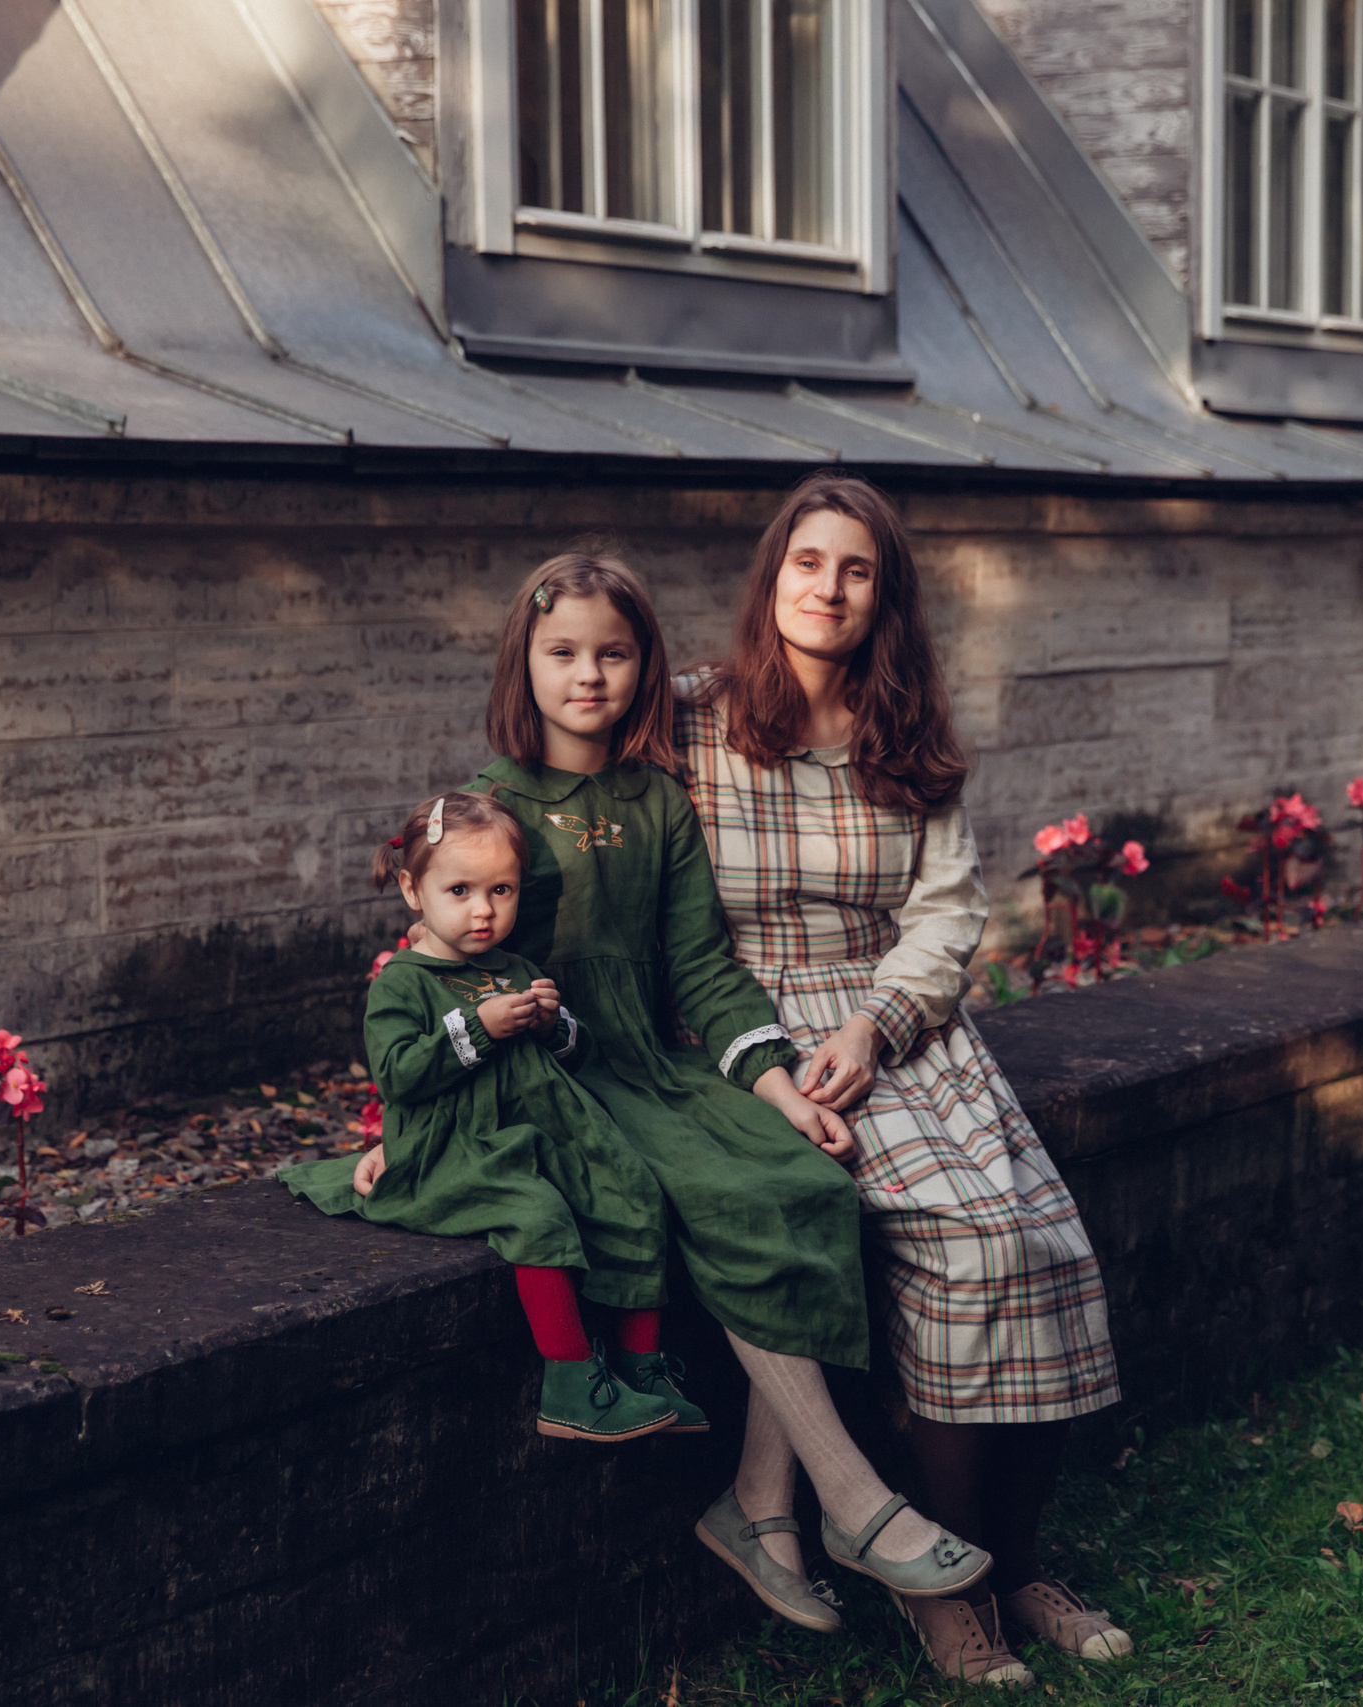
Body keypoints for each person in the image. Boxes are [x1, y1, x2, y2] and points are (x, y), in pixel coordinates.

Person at [346, 551, 995, 1629]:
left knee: (806, 1181)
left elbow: (701, 966)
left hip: (657, 1060)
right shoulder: (491, 808)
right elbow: (433, 970)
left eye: (613, 652)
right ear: (523, 663)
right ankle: (855, 1502)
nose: (587, 675)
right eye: (562, 652)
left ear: (645, 665)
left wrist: (780, 1089)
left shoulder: (658, 798)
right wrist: (414, 1124)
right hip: (551, 1079)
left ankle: (758, 1505)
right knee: (726, 1201)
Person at [679, 471, 1126, 1687]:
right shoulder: (689, 725)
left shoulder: (907, 737)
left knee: (1040, 1243)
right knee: (965, 1252)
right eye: (807, 562)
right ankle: (948, 1594)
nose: (827, 589)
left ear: (885, 597)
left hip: (889, 1022)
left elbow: (945, 913)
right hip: (748, 1028)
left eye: (856, 570)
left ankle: (1015, 1565)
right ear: (773, 576)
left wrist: (878, 1024)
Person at [281, 789, 682, 1443]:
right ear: (413, 891)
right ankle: (572, 1385)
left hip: (535, 1134)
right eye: (460, 890)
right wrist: (479, 1026)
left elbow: (577, 1056)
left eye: (501, 890)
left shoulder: (515, 969)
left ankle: (643, 1367)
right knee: (536, 1214)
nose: (483, 910)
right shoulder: (403, 981)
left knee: (631, 1190)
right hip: (450, 1148)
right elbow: (399, 1075)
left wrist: (552, 1024)